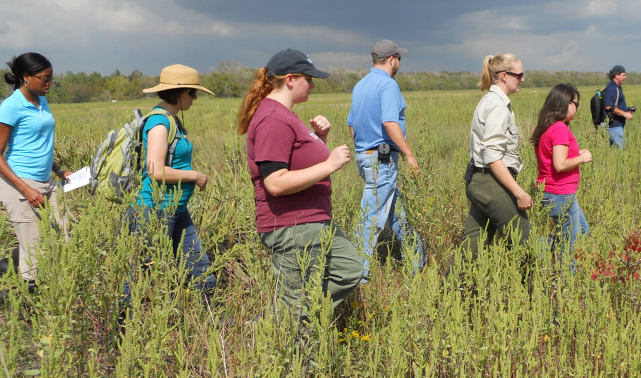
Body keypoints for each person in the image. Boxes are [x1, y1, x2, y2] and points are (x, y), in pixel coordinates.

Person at [236, 49, 362, 328]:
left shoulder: (284, 115)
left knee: (349, 271)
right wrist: (329, 164)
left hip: (312, 221)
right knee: (297, 307)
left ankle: (288, 320)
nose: (314, 85)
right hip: (292, 226)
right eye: (309, 78)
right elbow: (275, 182)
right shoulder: (273, 119)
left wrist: (319, 138)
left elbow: (295, 161)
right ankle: (286, 349)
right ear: (290, 79)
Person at [127, 64, 216, 296]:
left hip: (176, 209)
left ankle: (209, 321)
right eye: (192, 92)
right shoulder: (160, 123)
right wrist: (195, 176)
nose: (194, 98)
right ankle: (126, 324)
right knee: (141, 277)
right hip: (154, 210)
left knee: (200, 271)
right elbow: (156, 171)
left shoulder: (172, 119)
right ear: (178, 92)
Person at [0, 53, 71, 291]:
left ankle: (11, 267)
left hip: (46, 182)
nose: (49, 83)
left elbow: (39, 143)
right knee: (34, 248)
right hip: (19, 184)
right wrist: (26, 189)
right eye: (45, 78)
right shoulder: (11, 107)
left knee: (64, 238)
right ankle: (29, 306)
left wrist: (59, 170)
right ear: (26, 78)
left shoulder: (41, 101)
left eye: (51, 78)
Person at [346, 39, 424, 281]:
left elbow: (352, 126)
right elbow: (390, 123)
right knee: (371, 216)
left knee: (396, 213)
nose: (399, 63)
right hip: (381, 159)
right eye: (399, 59)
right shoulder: (388, 85)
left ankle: (417, 264)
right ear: (392, 59)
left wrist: (363, 152)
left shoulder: (360, 85)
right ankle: (359, 276)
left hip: (365, 157)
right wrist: (409, 154)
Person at [460, 53, 532, 260]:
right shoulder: (497, 106)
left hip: (481, 181)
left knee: (472, 249)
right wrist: (518, 193)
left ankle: (449, 290)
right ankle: (534, 290)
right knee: (524, 242)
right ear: (504, 76)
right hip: (491, 182)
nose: (522, 79)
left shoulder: (492, 101)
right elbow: (492, 156)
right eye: (519, 75)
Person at [531, 83, 592, 266]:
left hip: (555, 193)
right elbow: (559, 164)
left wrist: (576, 154)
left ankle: (537, 247)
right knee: (569, 246)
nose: (576, 108)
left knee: (581, 230)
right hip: (560, 194)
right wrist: (583, 158)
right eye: (576, 103)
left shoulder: (548, 126)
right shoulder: (559, 129)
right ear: (565, 103)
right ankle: (564, 285)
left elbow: (553, 158)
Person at [603, 65, 633, 149]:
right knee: (620, 152)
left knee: (615, 151)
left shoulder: (617, 87)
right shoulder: (612, 88)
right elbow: (609, 106)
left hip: (617, 125)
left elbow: (615, 105)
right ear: (616, 75)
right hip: (614, 126)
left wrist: (626, 111)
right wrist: (624, 114)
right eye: (623, 75)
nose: (625, 77)